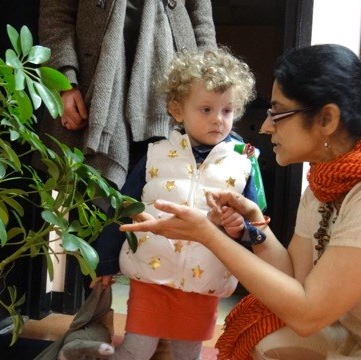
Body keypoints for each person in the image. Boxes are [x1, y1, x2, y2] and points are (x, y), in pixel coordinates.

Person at [119, 44, 361, 359]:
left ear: (326, 120)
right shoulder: (324, 185)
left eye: (277, 113)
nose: (263, 126)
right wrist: (256, 226)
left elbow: (308, 313)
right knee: (263, 337)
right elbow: (296, 275)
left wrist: (208, 235)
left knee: (280, 330)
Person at [91, 47, 261, 359]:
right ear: (177, 110)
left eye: (227, 111)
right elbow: (124, 207)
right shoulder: (155, 155)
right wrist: (105, 260)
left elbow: (256, 220)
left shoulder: (244, 164)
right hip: (150, 272)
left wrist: (242, 229)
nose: (218, 120)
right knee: (136, 350)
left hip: (205, 278)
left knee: (188, 353)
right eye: (206, 109)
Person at [38, 0, 217, 189]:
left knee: (163, 199)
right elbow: (57, 15)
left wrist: (209, 84)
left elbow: (201, 19)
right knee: (93, 203)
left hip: (169, 92)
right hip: (94, 91)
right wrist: (65, 82)